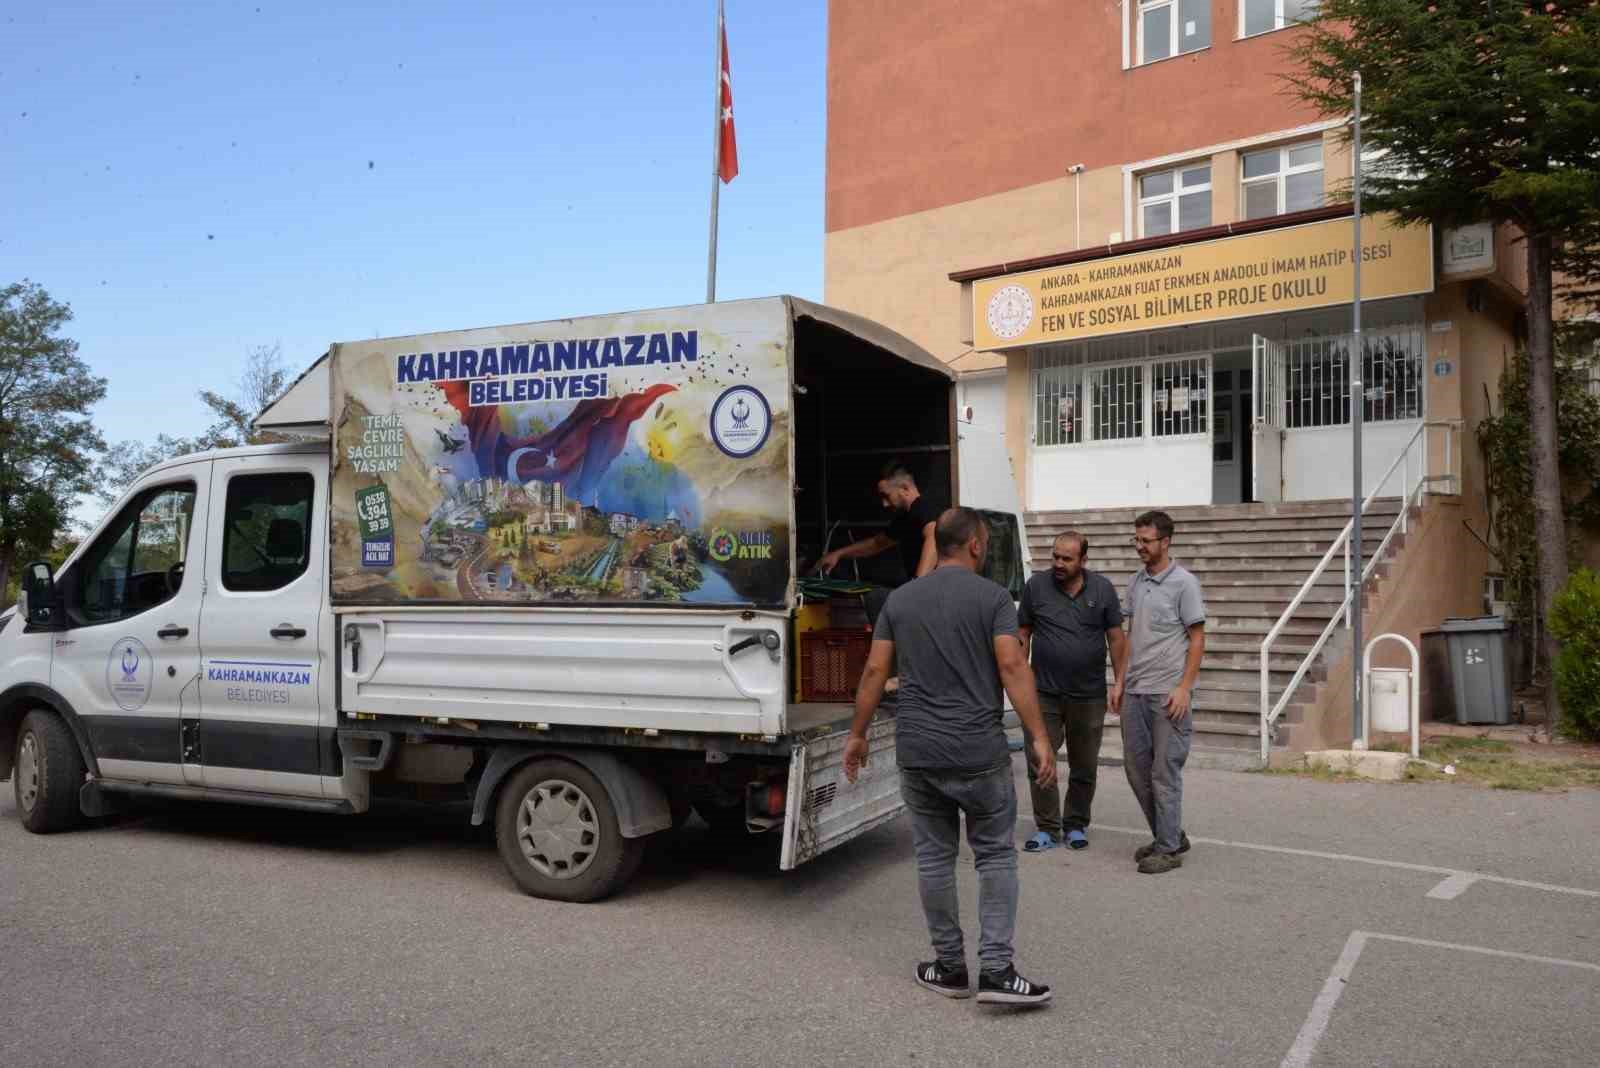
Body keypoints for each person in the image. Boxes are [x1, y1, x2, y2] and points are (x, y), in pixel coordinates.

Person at [844, 507, 1056, 1007]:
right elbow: (1011, 663)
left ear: (939, 545)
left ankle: (950, 968)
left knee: (935, 858)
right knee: (996, 855)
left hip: (918, 751)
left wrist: (856, 735)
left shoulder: (901, 599)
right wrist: (1039, 735)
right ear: (978, 545)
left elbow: (875, 671)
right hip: (977, 752)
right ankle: (998, 972)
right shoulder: (994, 598)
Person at [1017, 531, 1128, 853]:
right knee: (1040, 759)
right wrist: (1019, 678)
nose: (1059, 564)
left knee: (1084, 765)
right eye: (1055, 556)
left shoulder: (1102, 589)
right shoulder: (1036, 587)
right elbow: (1023, 633)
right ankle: (1048, 828)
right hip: (1043, 693)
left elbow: (1117, 639)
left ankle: (1076, 824)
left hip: (1089, 695)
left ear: (1083, 560)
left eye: (1067, 558)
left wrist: (1119, 682)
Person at [1111, 509, 1206, 875]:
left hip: (1168, 695)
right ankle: (1170, 834)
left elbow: (1197, 639)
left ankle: (1167, 848)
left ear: (1165, 542)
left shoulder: (1184, 584)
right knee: (1137, 770)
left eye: (1146, 541)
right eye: (1136, 540)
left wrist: (1184, 688)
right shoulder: (1136, 582)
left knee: (1163, 773)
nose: (1139, 547)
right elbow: (1130, 637)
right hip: (1135, 690)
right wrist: (1119, 681)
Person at [816, 461, 939, 587]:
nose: (884, 504)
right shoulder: (905, 518)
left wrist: (917, 586)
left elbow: (933, 537)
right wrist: (838, 554)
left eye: (887, 496)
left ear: (905, 488)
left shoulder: (923, 509)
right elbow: (877, 543)